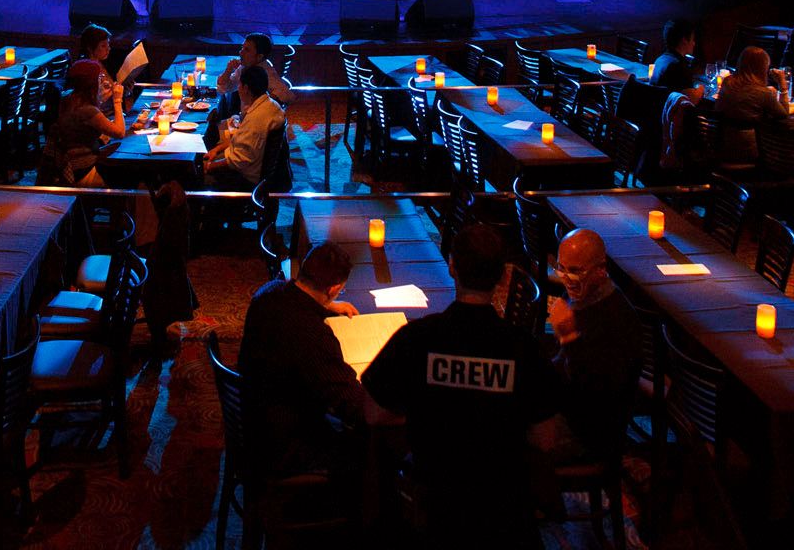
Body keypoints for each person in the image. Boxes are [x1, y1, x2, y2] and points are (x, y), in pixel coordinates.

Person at [361, 224, 567, 546]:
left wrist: (425, 410)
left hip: (433, 507)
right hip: (504, 512)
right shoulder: (523, 348)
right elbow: (545, 438)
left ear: (452, 266)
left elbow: (373, 413)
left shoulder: (417, 338)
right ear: (501, 278)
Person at [239, 243, 366, 476]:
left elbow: (297, 301)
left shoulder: (269, 291)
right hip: (282, 442)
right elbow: (350, 402)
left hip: (253, 414)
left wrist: (327, 306)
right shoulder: (312, 334)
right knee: (368, 450)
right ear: (334, 288)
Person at [545, 229, 637, 462]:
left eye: (576, 271)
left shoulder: (617, 318)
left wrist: (568, 337)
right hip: (564, 410)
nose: (566, 279)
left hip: (588, 435)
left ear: (601, 269)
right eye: (561, 269)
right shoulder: (580, 298)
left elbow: (596, 397)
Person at [40, 60, 124, 186]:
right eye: (99, 78)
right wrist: (117, 100)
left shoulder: (68, 98)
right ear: (91, 83)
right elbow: (120, 132)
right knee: (129, 174)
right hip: (85, 168)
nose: (103, 81)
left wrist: (99, 98)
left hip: (72, 163)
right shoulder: (87, 110)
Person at [204, 63, 283, 189]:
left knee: (197, 173)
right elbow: (242, 139)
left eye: (239, 85)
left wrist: (209, 166)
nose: (238, 89)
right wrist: (217, 149)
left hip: (245, 178)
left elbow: (240, 159)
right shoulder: (269, 104)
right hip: (249, 165)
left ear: (245, 88)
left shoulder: (257, 118)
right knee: (207, 155)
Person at [712, 46, 789, 162]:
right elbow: (784, 114)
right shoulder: (763, 93)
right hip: (748, 154)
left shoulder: (727, 82)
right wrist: (783, 86)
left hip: (721, 148)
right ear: (762, 69)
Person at [648, 17, 702, 99]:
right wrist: (701, 90)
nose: (694, 44)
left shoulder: (660, 60)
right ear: (684, 40)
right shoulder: (679, 66)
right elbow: (689, 102)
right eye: (692, 39)